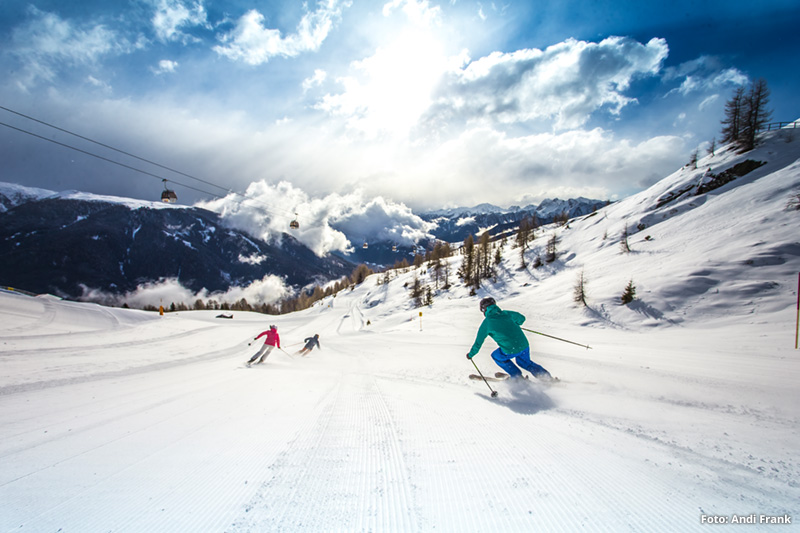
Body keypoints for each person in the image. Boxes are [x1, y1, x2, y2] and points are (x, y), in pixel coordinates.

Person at [466, 297, 554, 381]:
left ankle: (516, 376)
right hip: (524, 345)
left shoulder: (487, 323)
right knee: (524, 362)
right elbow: (522, 319)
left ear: (484, 310)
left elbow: (478, 342)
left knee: (496, 356)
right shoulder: (507, 313)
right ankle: (546, 377)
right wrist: (514, 324)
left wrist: (471, 355)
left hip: (510, 349)